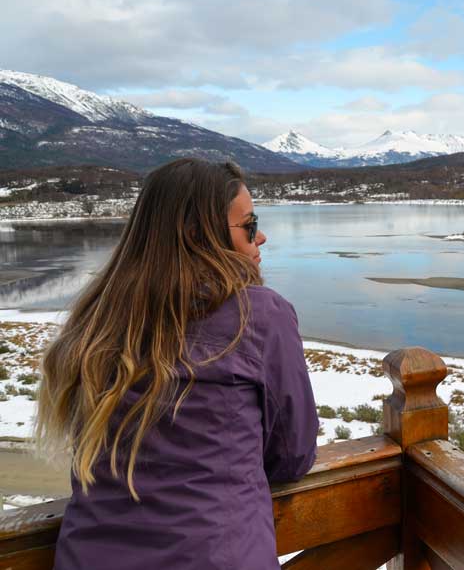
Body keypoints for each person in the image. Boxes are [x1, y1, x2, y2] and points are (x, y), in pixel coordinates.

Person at [35, 158, 319, 569]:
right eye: (249, 226)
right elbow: (292, 455)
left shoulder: (97, 319)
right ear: (196, 234)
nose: (262, 238)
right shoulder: (257, 316)